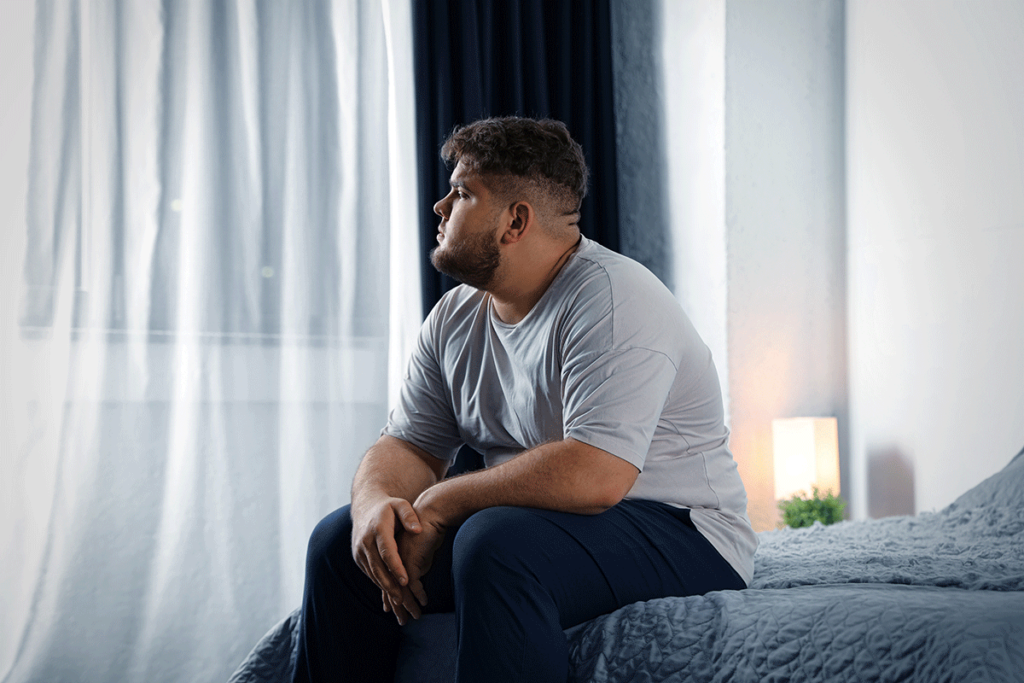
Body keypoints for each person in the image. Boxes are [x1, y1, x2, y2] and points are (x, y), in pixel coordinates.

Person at [291, 117, 757, 683]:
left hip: (682, 531)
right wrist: (374, 509)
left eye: (462, 193)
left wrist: (439, 504)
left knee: (497, 541)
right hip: (541, 524)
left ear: (515, 220)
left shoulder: (612, 299)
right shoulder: (455, 317)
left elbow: (595, 474)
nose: (440, 207)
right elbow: (408, 444)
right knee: (342, 546)